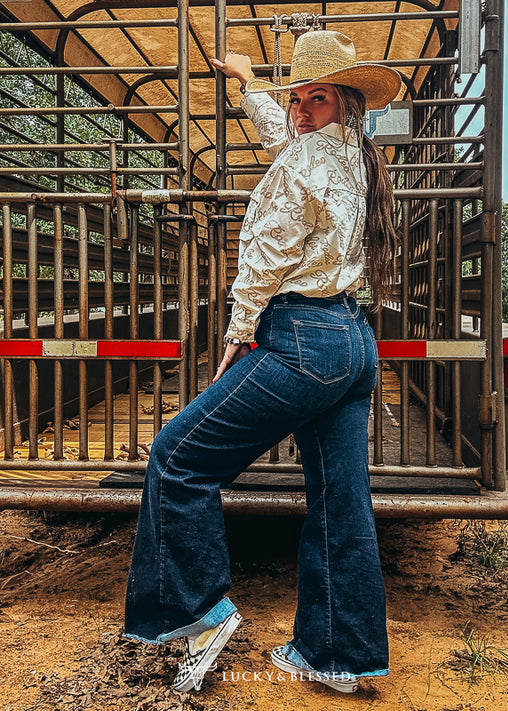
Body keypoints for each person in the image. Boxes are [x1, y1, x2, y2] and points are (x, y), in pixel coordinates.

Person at [123, 30, 401, 695]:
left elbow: (267, 255)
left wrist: (237, 332)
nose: (300, 111)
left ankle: (198, 612)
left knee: (176, 457)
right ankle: (337, 654)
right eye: (296, 98)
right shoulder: (355, 156)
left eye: (316, 98)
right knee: (341, 503)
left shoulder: (307, 157)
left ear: (347, 102)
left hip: (299, 336)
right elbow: (287, 138)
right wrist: (249, 85)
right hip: (352, 343)